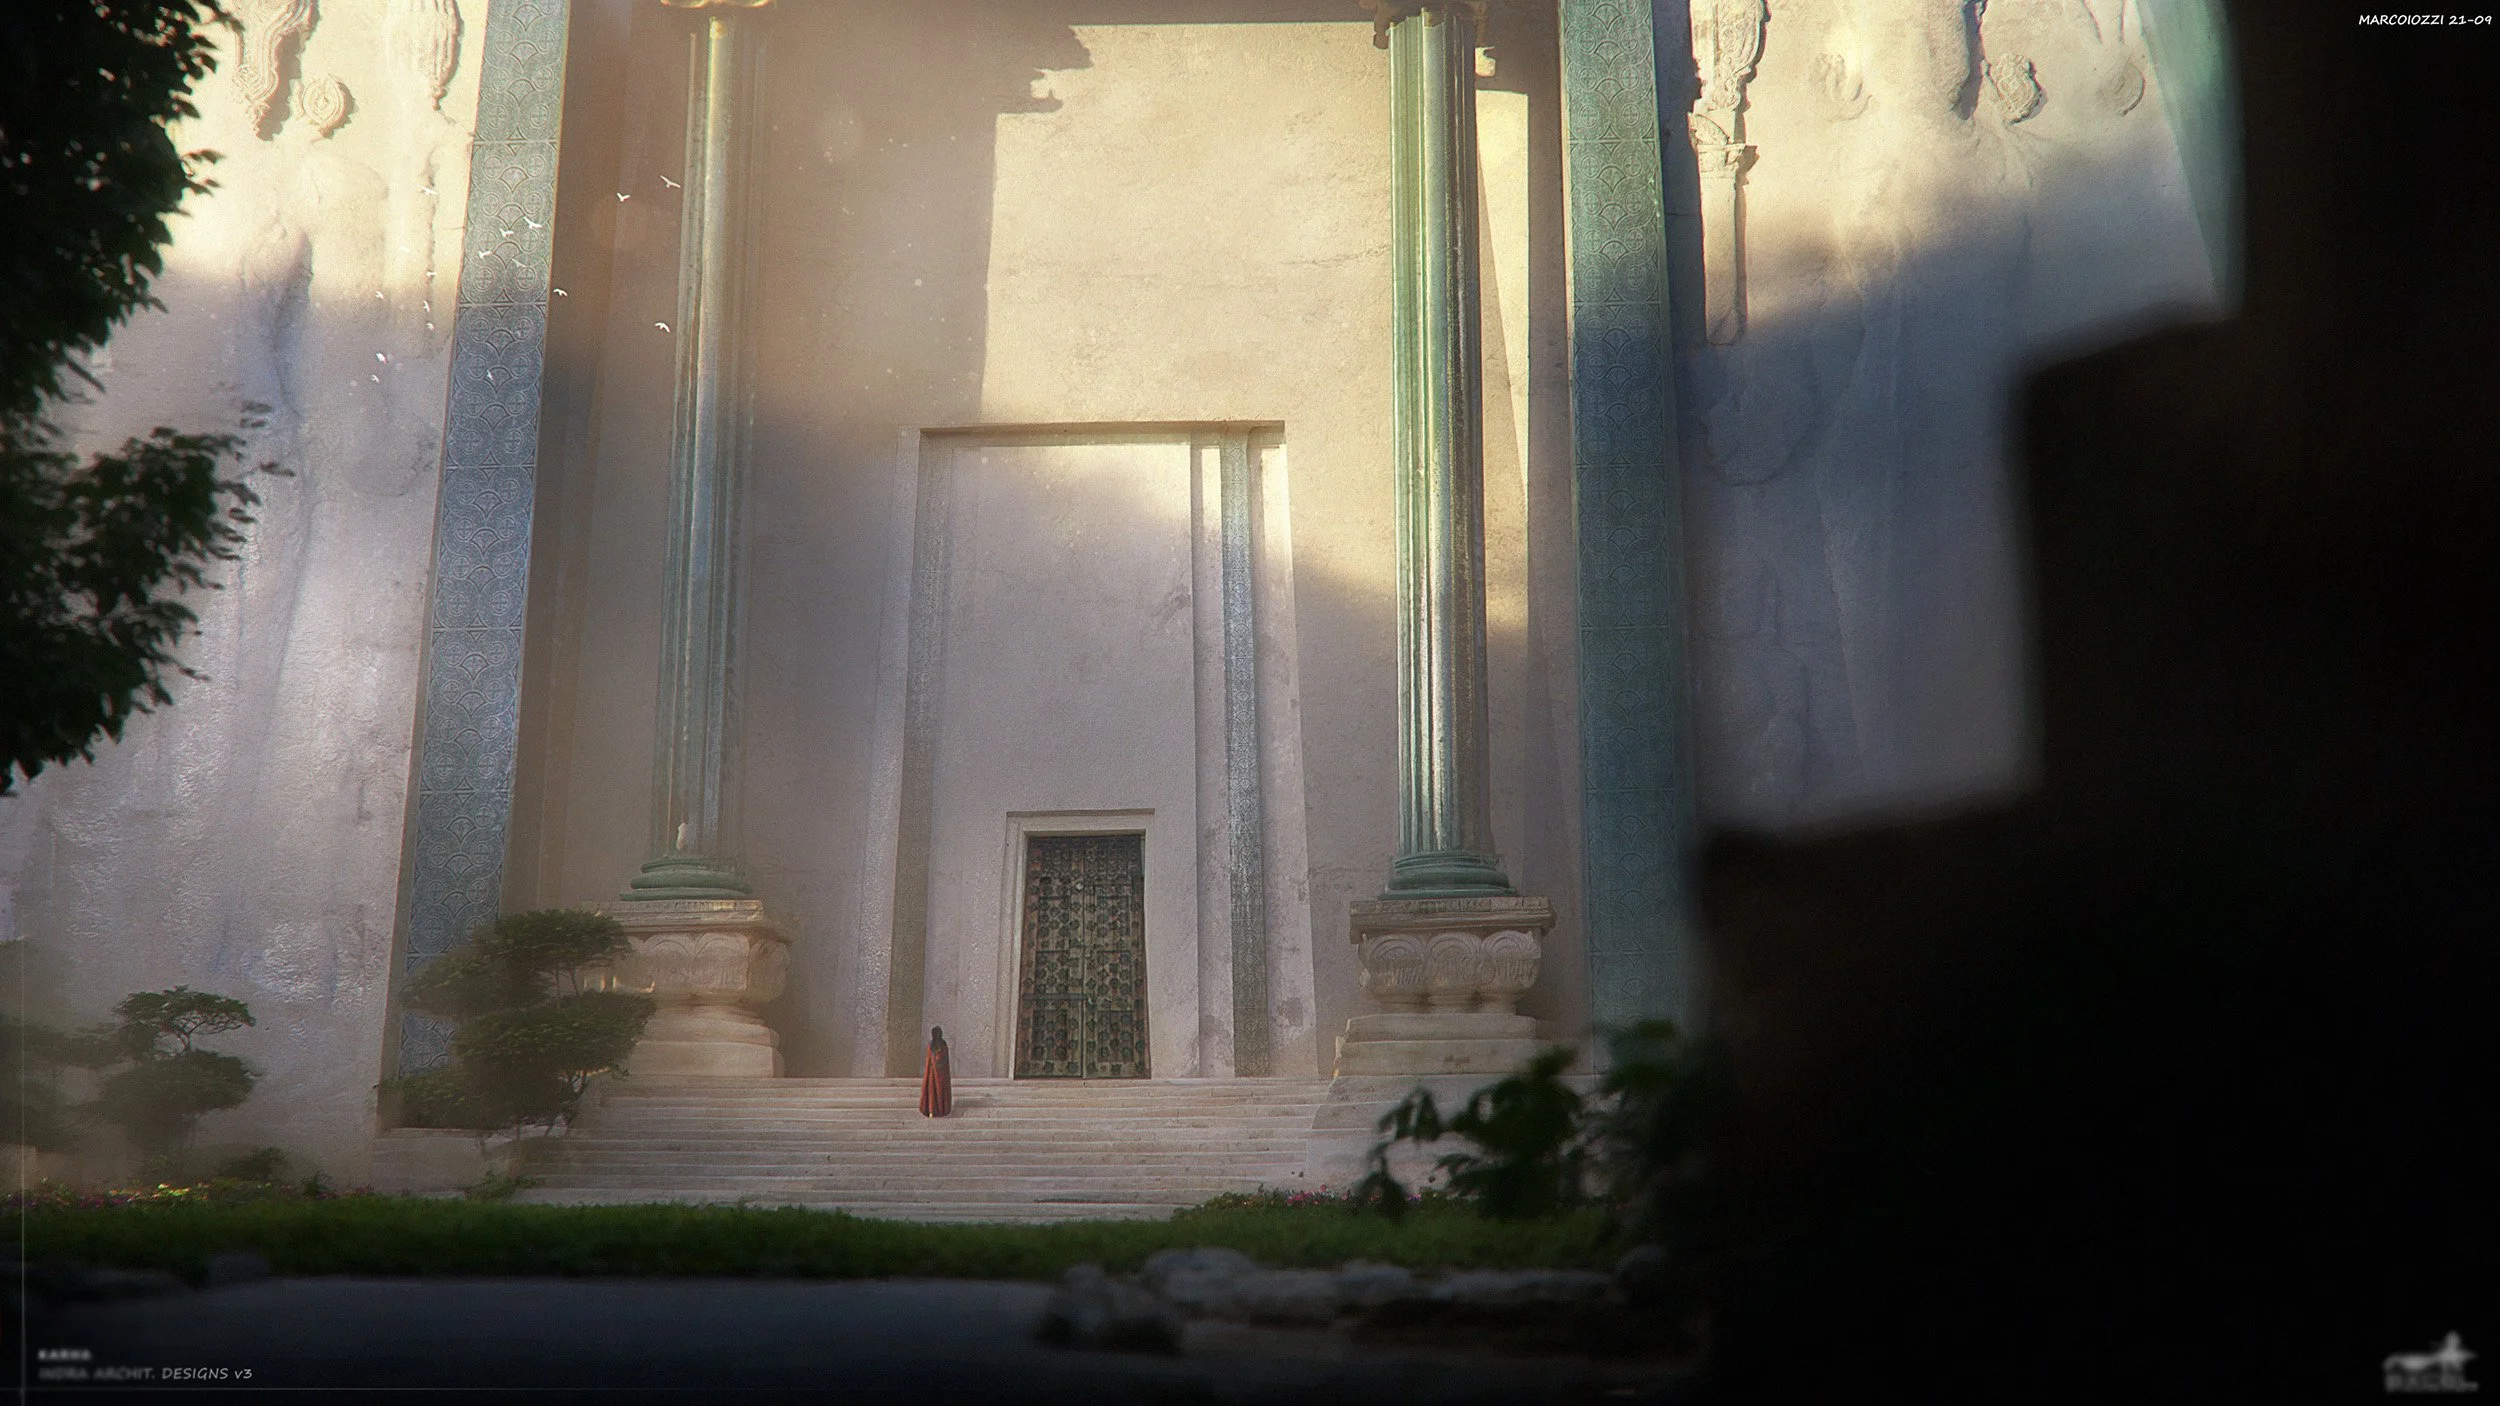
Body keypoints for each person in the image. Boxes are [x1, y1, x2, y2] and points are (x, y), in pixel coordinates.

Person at [918, 1026, 952, 1117]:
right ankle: (931, 1110)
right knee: (932, 1092)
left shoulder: (944, 1045)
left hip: (941, 1075)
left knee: (940, 1092)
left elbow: (943, 1059)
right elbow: (930, 1060)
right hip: (932, 1074)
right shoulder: (931, 1045)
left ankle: (941, 1110)